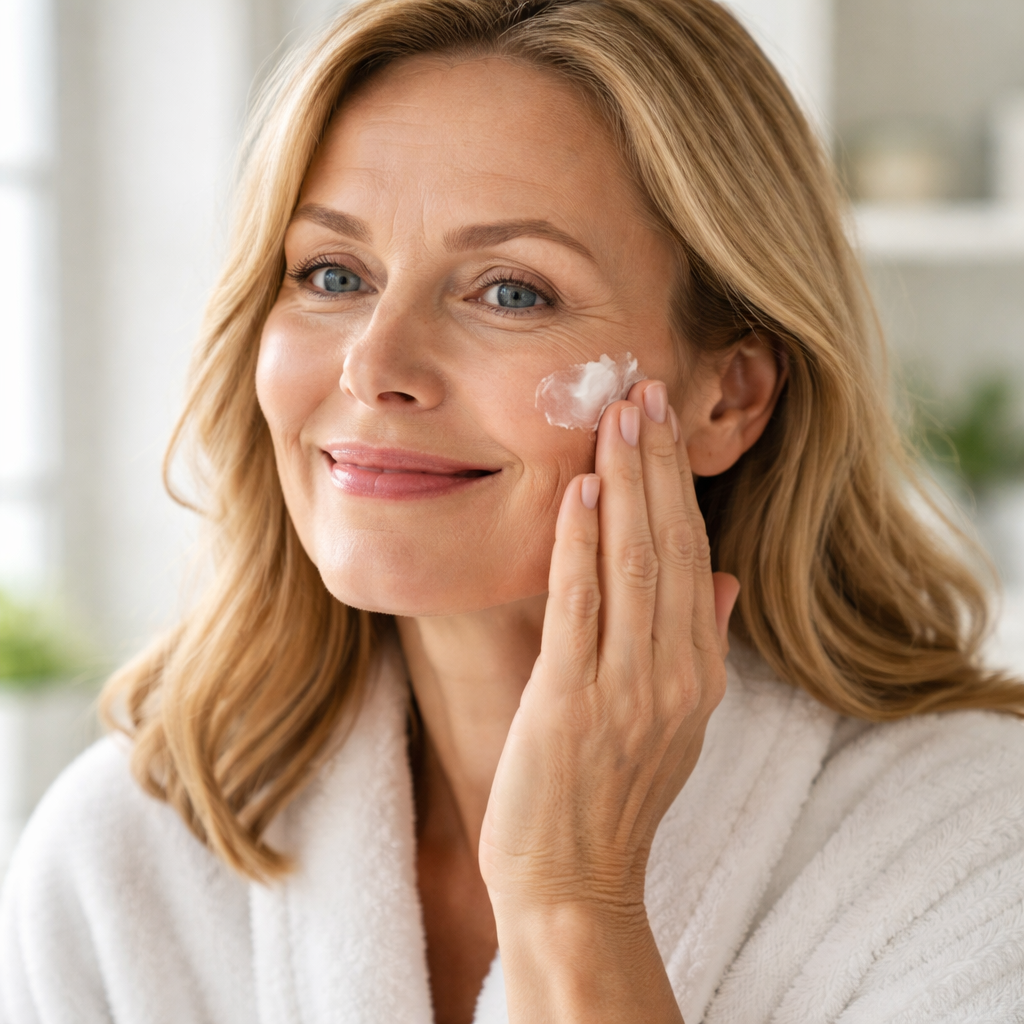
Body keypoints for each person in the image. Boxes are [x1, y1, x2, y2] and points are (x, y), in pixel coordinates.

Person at [2, 0, 1023, 1021]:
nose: (374, 366)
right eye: (332, 273)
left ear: (730, 396)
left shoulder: (972, 851)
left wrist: (572, 900)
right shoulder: (126, 860)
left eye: (511, 292)